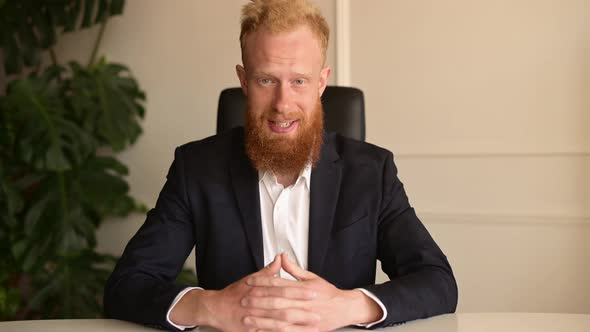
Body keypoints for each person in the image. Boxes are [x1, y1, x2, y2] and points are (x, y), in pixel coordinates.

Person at [104, 0, 458, 330]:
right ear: (244, 80)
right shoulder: (196, 168)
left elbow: (438, 281)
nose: (282, 104)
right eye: (266, 80)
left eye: (299, 81)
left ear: (321, 82)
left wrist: (346, 306)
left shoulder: (372, 171)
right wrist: (211, 306)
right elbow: (126, 286)